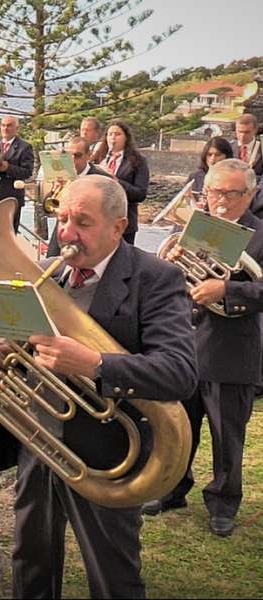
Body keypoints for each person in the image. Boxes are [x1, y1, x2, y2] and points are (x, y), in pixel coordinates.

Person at [0, 176, 198, 599]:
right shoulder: (50, 271)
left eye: (83, 223)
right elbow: (36, 342)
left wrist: (95, 364)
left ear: (118, 227)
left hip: (107, 455)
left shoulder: (156, 278)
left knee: (112, 574)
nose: (67, 233)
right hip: (38, 441)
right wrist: (6, 343)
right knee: (29, 558)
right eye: (63, 218)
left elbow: (180, 372)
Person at [142, 159, 263, 538]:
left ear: (251, 194)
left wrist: (228, 290)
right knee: (179, 429)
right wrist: (170, 262)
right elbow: (172, 285)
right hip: (186, 344)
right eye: (214, 192)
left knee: (227, 436)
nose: (222, 202)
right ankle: (173, 489)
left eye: (232, 193)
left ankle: (224, 502)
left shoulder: (262, 235)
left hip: (232, 350)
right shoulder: (192, 229)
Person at [45, 137, 112, 257]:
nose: (73, 160)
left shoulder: (101, 178)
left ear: (89, 155)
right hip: (62, 234)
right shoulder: (62, 175)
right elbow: (47, 208)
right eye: (69, 156)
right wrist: (55, 190)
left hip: (87, 236)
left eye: (78, 155)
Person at [92, 120, 149, 246]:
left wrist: (116, 181)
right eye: (109, 134)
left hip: (124, 221)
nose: (113, 138)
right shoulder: (97, 159)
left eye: (117, 134)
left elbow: (140, 194)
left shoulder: (138, 161)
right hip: (99, 220)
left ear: (126, 138)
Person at [0, 116, 35, 233]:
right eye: (3, 125)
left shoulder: (24, 147)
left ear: (17, 128)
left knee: (8, 234)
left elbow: (27, 172)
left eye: (9, 125)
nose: (5, 128)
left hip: (11, 197)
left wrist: (9, 168)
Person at [186, 136, 232, 202]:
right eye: (209, 155)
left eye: (218, 155)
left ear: (227, 157)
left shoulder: (233, 178)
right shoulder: (194, 177)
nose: (213, 158)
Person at [231, 114, 262, 180]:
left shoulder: (261, 148)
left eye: (247, 132)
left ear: (255, 130)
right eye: (239, 131)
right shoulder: (229, 147)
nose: (242, 136)